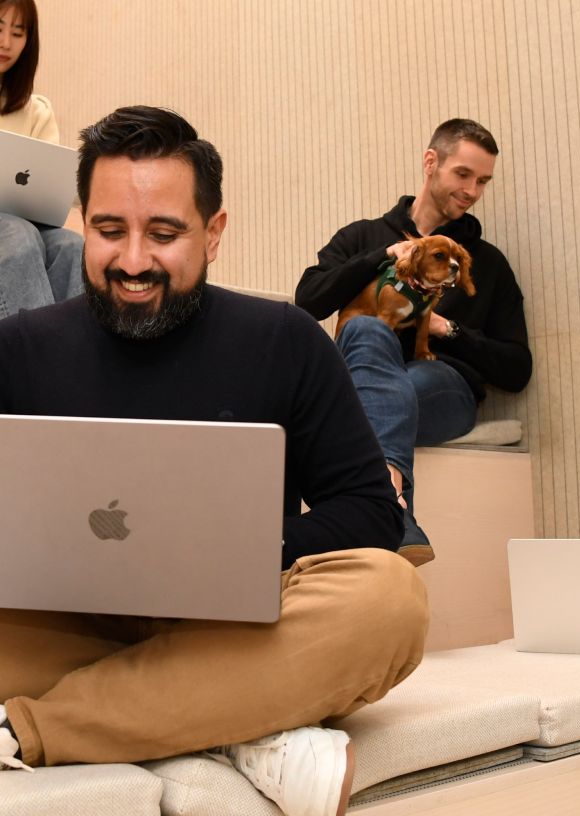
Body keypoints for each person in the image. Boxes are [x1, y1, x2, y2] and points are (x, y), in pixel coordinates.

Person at [0, 105, 429, 816]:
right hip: (67, 623)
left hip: (240, 625)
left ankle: (28, 731)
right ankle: (235, 725)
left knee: (390, 601)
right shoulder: (18, 346)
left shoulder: (285, 340)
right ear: (84, 222)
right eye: (110, 230)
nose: (133, 260)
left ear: (214, 233)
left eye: (164, 234)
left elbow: (369, 513)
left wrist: (227, 553)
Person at [296, 119, 532, 563]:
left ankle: (365, 515)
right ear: (431, 163)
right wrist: (382, 256)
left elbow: (517, 369)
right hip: (365, 379)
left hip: (443, 388)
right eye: (463, 175)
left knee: (368, 400)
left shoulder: (484, 262)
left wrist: (447, 329)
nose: (473, 191)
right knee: (365, 330)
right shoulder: (364, 237)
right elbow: (308, 300)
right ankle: (395, 515)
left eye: (483, 181)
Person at [0, 0, 83, 316]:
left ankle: (82, 353)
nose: (7, 43)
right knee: (18, 235)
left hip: (28, 223)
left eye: (18, 33)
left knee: (73, 246)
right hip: (16, 230)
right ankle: (34, 358)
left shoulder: (36, 111)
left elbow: (48, 191)